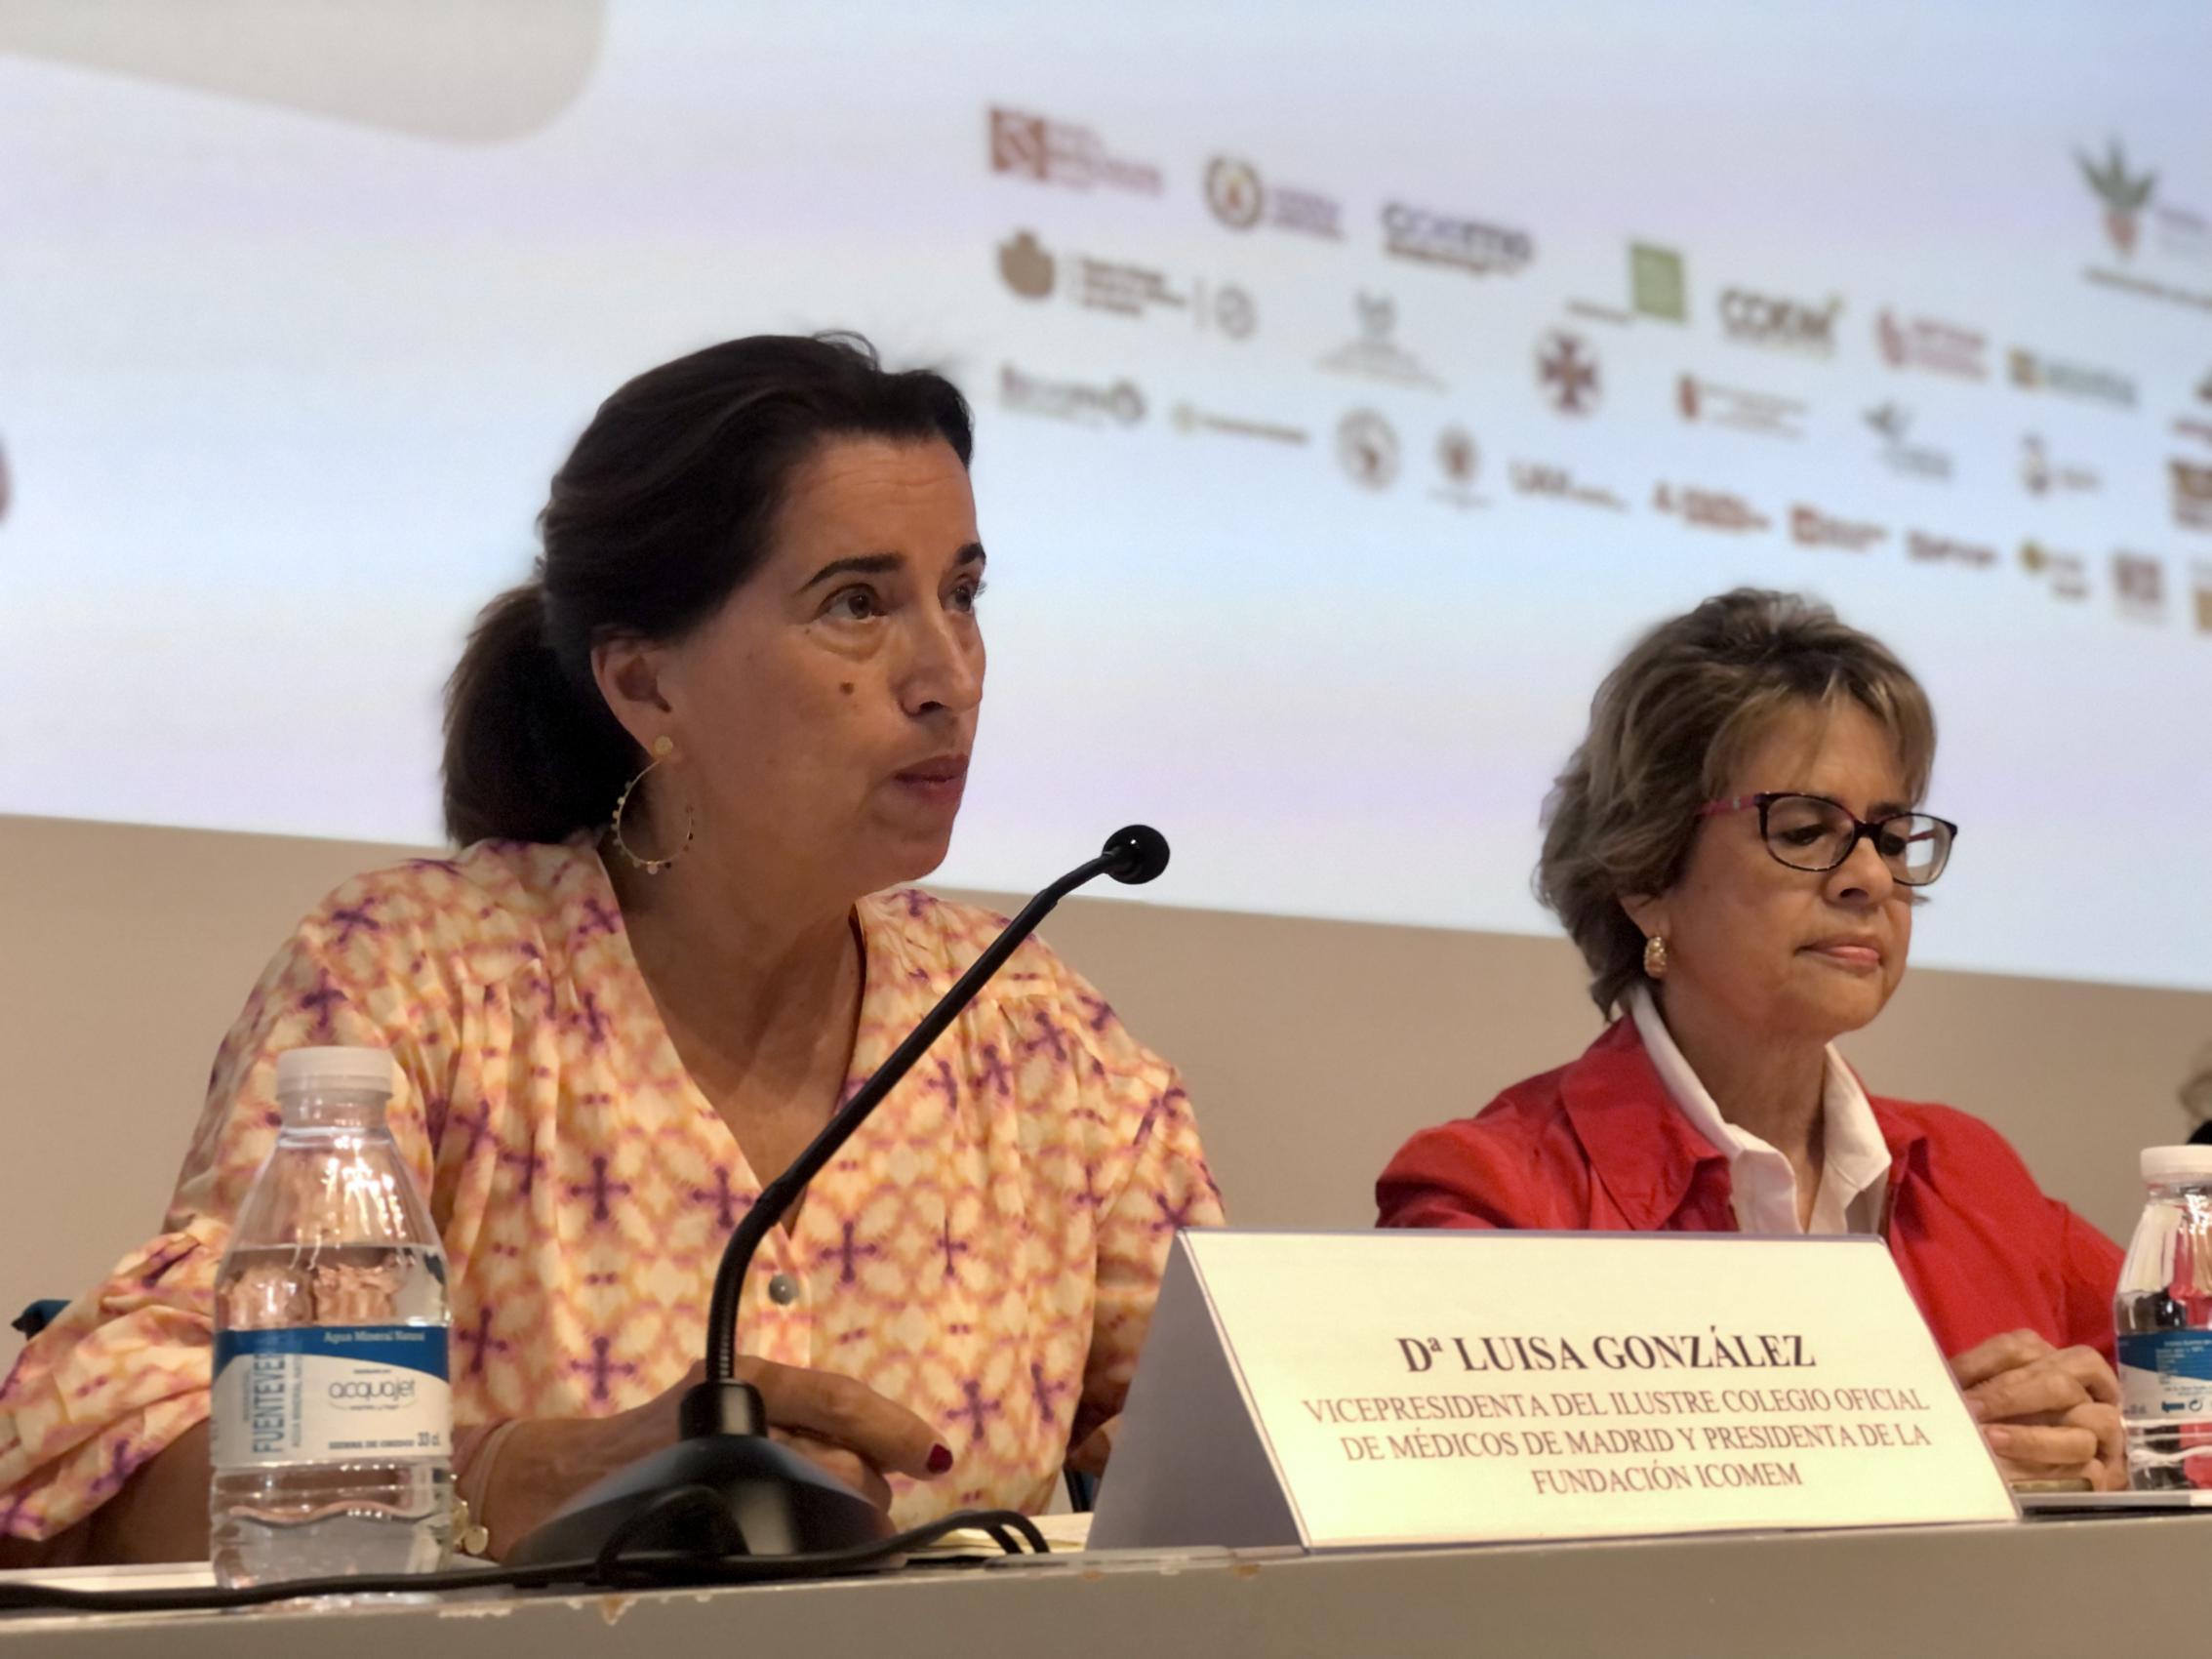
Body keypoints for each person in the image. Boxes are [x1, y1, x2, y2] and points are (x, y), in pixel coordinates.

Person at [0, 334, 1222, 1563]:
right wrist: (505, 1473)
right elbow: (89, 1470)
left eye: (960, 593)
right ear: (645, 686)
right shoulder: (416, 982)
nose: (949, 675)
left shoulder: (1038, 1037)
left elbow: (1246, 1439)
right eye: (856, 604)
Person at [1377, 589, 2125, 1490]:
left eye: (1890, 838)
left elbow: (2182, 1406)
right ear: (1647, 878)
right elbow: (1471, 1510)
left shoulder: (1970, 1173)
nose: (1868, 878)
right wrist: (1913, 1461)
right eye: (1805, 831)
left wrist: (2120, 1450)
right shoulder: (1493, 1196)